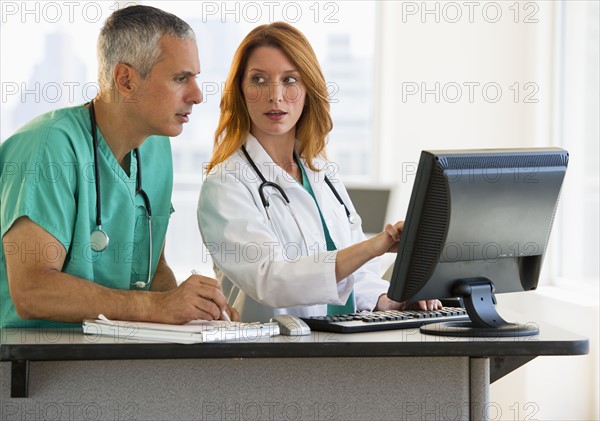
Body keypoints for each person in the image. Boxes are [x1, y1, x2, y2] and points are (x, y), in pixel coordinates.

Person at [0, 5, 238, 328]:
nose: (197, 95)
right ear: (125, 80)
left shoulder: (156, 147)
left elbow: (152, 273)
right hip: (31, 364)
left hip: (112, 363)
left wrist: (199, 311)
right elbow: (32, 291)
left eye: (195, 77)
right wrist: (158, 307)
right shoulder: (49, 148)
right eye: (180, 78)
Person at [198, 22, 440, 322]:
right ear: (240, 91)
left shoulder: (321, 172)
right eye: (258, 80)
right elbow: (270, 279)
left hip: (338, 344)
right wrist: (372, 247)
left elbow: (355, 273)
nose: (275, 95)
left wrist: (385, 299)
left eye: (289, 80)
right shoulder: (225, 184)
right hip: (266, 355)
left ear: (308, 88)